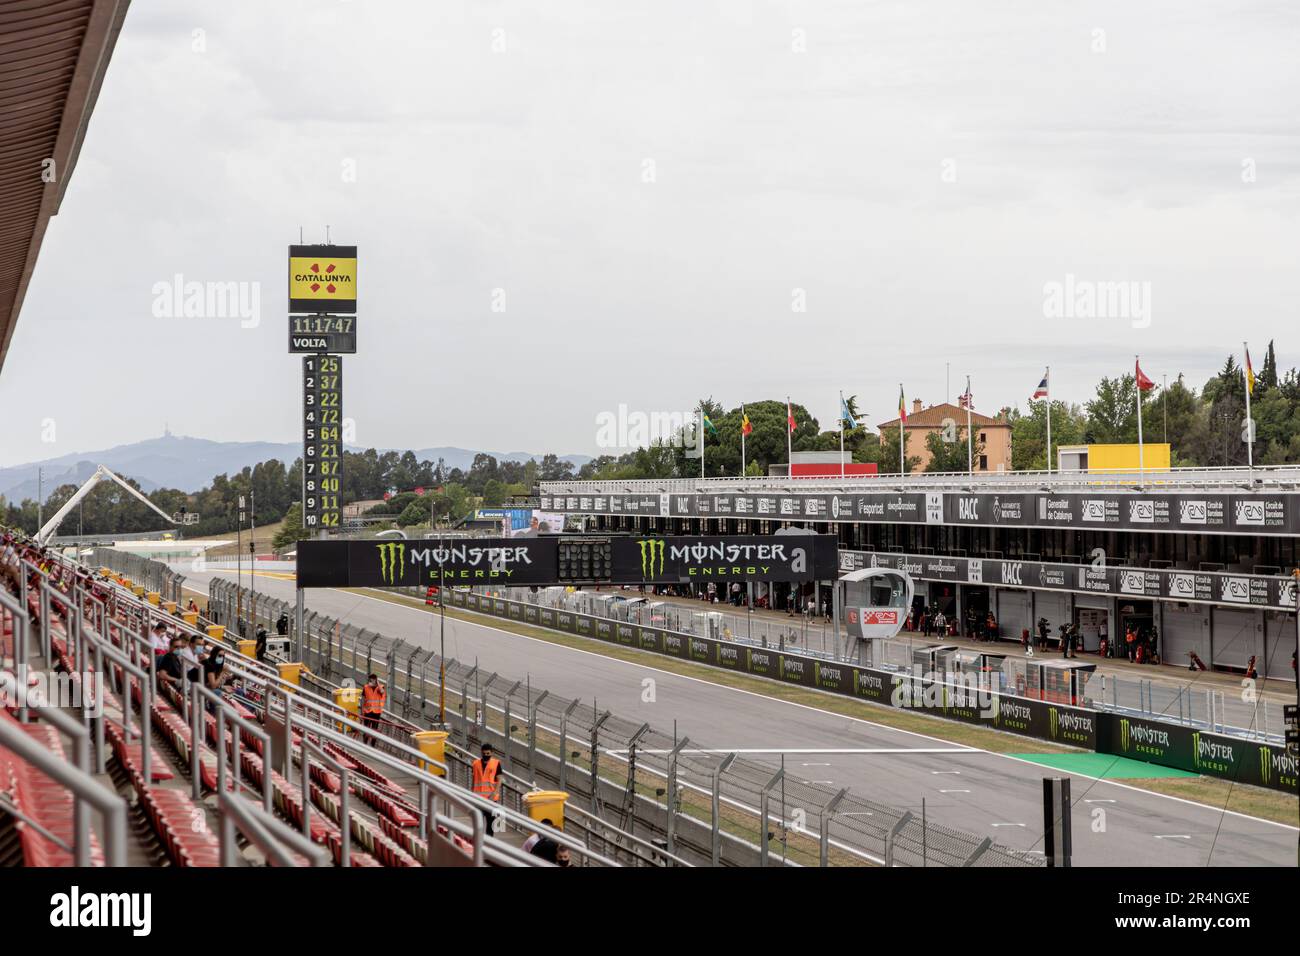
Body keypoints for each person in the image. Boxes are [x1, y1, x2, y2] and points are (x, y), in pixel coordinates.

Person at [361, 673, 386, 744]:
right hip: (367, 711)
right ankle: (364, 743)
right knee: (366, 729)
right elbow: (363, 698)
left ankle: (372, 745)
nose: (373, 680)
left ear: (376, 679)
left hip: (376, 712)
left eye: (374, 678)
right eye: (371, 678)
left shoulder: (381, 687)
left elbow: (382, 692)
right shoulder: (366, 687)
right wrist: (362, 710)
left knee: (374, 730)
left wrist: (378, 684)